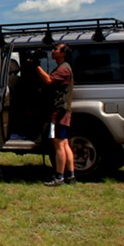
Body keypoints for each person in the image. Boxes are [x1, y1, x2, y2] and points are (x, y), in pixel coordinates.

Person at [36, 42, 74, 186]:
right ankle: (70, 175)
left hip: (59, 111)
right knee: (64, 143)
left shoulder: (63, 69)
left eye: (56, 49)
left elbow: (49, 80)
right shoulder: (64, 67)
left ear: (63, 53)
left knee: (58, 144)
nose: (52, 51)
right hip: (63, 110)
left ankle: (59, 177)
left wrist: (36, 66)